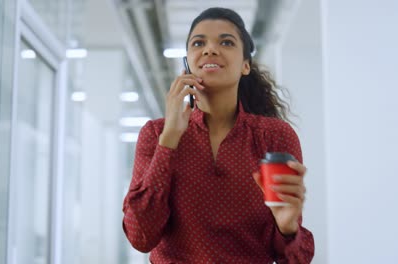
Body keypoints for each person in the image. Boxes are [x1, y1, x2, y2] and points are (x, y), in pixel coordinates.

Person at [122, 7, 315, 263]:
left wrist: (288, 227)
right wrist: (168, 141)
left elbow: (295, 259)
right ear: (187, 62)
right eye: (198, 43)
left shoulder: (274, 137)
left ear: (246, 65)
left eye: (226, 42)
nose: (209, 49)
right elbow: (141, 237)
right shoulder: (156, 133)